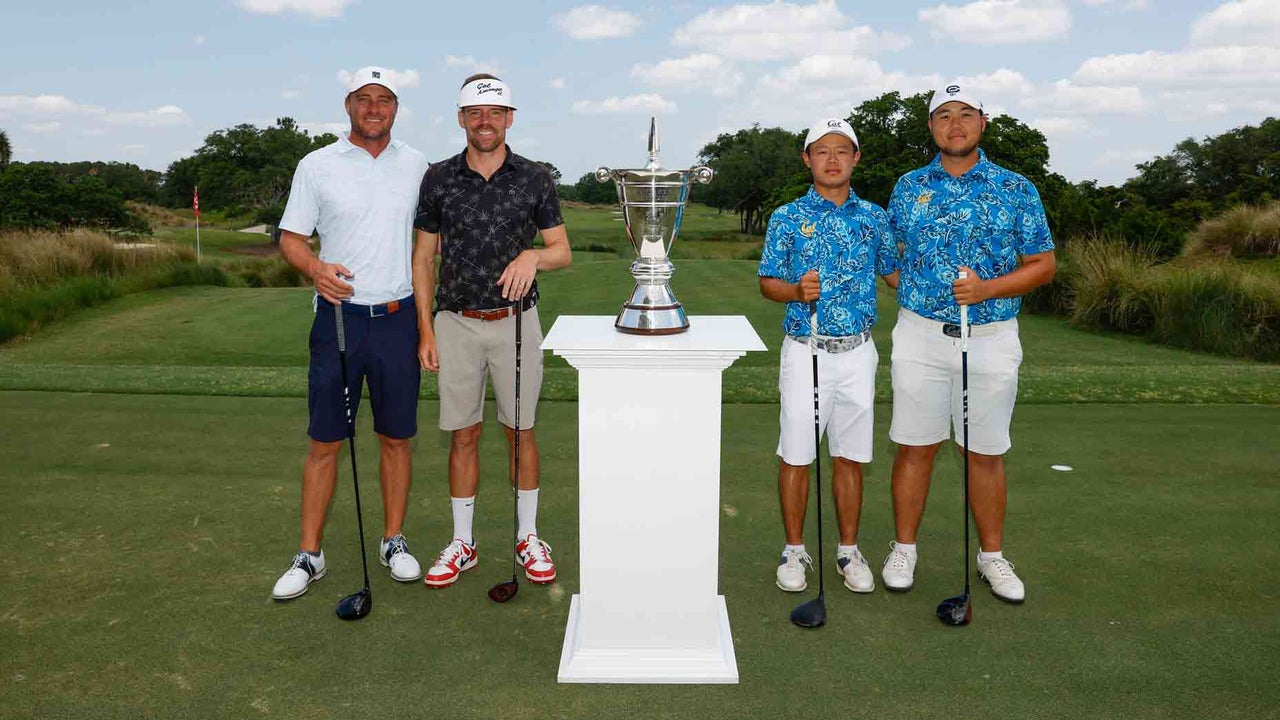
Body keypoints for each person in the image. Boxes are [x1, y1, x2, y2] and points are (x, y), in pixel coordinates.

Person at [881, 83, 1056, 604]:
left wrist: (986, 291)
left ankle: (992, 557)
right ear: (931, 127)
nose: (954, 125)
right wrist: (915, 292)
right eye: (942, 116)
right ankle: (904, 548)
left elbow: (1043, 265)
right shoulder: (909, 187)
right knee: (915, 446)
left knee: (984, 452)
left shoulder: (1016, 187)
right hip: (920, 335)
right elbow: (892, 258)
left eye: (965, 115)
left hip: (992, 338)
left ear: (983, 122)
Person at [270, 66, 430, 600]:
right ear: (348, 106)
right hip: (337, 319)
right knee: (325, 441)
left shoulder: (416, 166)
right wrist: (315, 268)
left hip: (397, 318)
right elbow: (291, 237)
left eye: (384, 99)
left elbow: (429, 246)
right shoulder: (317, 165)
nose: (374, 108)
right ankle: (309, 554)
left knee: (396, 437)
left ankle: (393, 541)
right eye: (365, 99)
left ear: (396, 108)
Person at [412, 74, 571, 589]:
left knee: (520, 432)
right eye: (475, 113)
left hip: (517, 323)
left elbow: (561, 251)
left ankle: (527, 536)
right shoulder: (438, 178)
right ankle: (464, 542)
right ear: (461, 118)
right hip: (455, 322)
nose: (486, 121)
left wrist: (533, 255)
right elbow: (423, 258)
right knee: (464, 433)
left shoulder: (535, 177)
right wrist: (425, 330)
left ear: (510, 118)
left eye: (495, 112)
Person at [758, 118, 899, 595]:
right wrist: (796, 291)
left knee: (850, 457)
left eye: (842, 151)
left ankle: (847, 550)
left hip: (858, 353)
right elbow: (767, 283)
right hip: (805, 351)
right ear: (808, 159)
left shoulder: (875, 217)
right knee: (797, 454)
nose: (833, 159)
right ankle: (794, 550)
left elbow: (896, 276)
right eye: (822, 151)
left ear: (856, 158)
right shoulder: (786, 216)